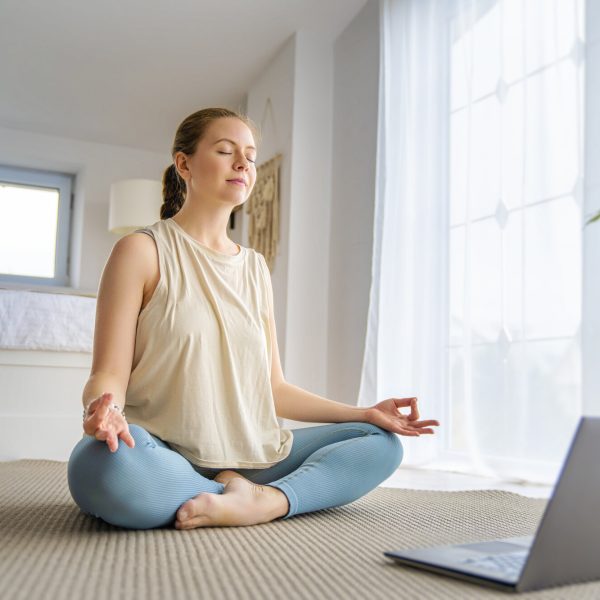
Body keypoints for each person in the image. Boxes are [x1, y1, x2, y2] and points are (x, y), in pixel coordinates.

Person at [67, 107, 440, 530]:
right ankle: (229, 492)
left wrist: (364, 412)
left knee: (381, 444)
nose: (243, 163)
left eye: (250, 155)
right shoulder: (142, 251)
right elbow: (108, 373)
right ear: (184, 163)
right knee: (97, 465)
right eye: (226, 151)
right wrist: (104, 411)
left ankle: (267, 501)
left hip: (256, 457)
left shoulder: (256, 268)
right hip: (162, 453)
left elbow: (273, 389)